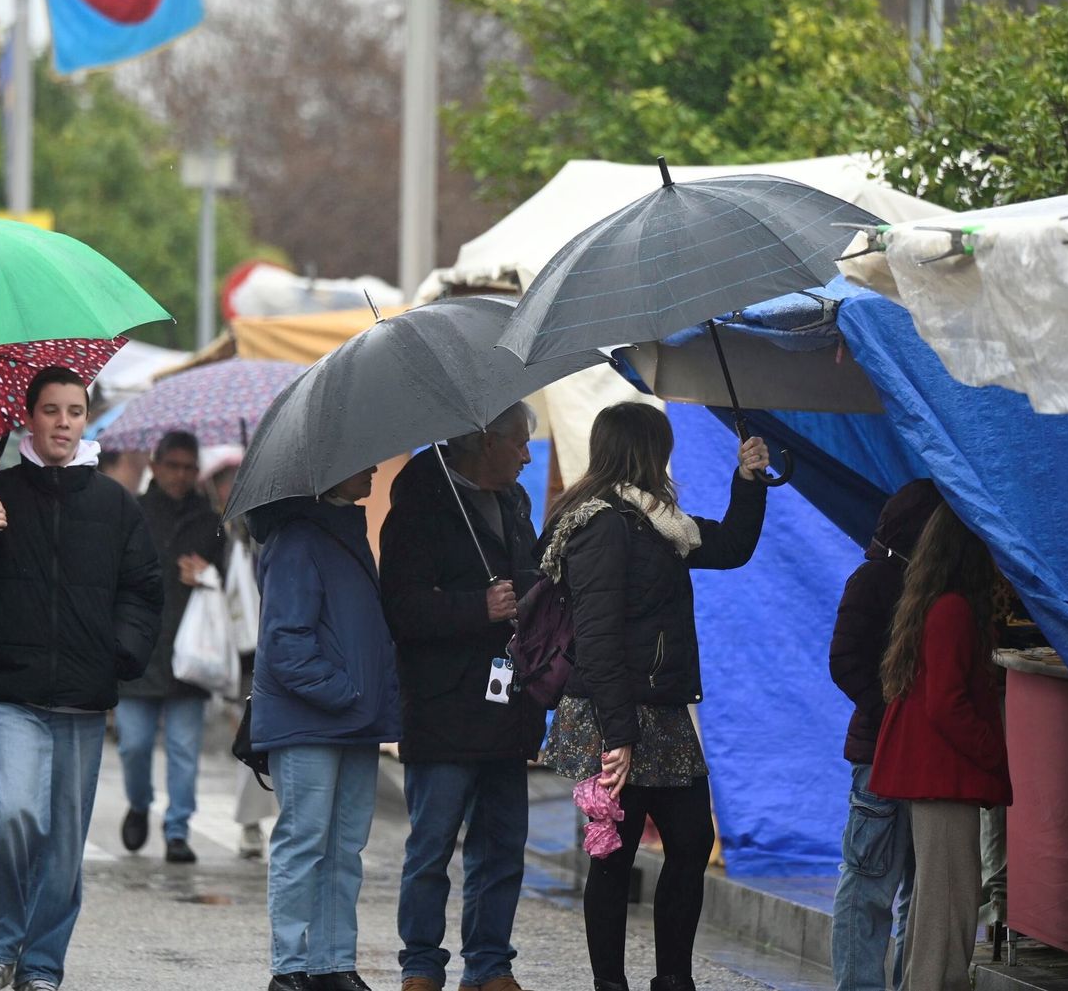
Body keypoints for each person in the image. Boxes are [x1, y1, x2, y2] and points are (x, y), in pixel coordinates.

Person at [0, 365, 163, 991]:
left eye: (75, 411)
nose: (64, 422)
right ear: (29, 416)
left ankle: (40, 965)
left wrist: (119, 652)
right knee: (14, 816)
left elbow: (144, 590)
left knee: (64, 843)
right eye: (52, 410)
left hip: (82, 701)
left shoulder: (114, 503)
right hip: (12, 690)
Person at [541, 403, 768, 991]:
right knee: (614, 854)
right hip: (616, 712)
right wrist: (618, 736)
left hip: (658, 709)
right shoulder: (603, 524)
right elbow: (596, 636)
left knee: (690, 841)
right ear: (645, 451)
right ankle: (610, 983)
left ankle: (673, 979)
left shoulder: (657, 523)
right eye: (662, 448)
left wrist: (747, 482)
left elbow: (732, 546)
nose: (669, 459)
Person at [379, 403, 545, 991]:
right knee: (432, 844)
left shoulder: (516, 503)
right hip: (444, 703)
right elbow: (400, 607)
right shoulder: (421, 501)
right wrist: (477, 607)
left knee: (503, 844)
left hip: (508, 699)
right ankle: (421, 963)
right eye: (520, 443)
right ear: (483, 440)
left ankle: (490, 963)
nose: (528, 455)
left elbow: (530, 577)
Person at [249, 465, 401, 991]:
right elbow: (285, 643)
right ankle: (289, 967)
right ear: (327, 472)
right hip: (311, 721)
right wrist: (349, 692)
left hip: (353, 720)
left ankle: (333, 962)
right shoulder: (296, 538)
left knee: (344, 847)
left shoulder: (345, 532)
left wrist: (367, 697)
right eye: (361, 462)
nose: (375, 467)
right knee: (305, 841)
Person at [870, 502, 1012, 991]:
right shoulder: (953, 609)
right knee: (949, 902)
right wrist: (993, 752)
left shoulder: (934, 602)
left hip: (935, 775)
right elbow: (947, 703)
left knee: (939, 900)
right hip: (945, 775)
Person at [828, 480, 943, 991]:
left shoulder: (928, 584)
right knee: (869, 887)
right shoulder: (874, 579)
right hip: (879, 753)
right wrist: (893, 711)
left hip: (921, 757)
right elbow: (844, 661)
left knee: (914, 894)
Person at [118, 429, 224, 863]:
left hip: (191, 654)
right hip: (138, 651)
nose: (180, 475)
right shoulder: (131, 512)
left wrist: (208, 575)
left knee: (184, 749)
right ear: (156, 465)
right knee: (134, 744)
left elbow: (231, 585)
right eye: (173, 465)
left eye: (189, 467)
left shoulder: (212, 522)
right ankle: (139, 803)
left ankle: (177, 828)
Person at [202, 452, 276, 859]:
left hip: (266, 639)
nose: (232, 487)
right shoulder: (213, 530)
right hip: (231, 644)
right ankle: (250, 823)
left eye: (238, 478)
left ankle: (258, 819)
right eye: (225, 480)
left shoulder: (266, 525)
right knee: (253, 733)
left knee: (261, 733)